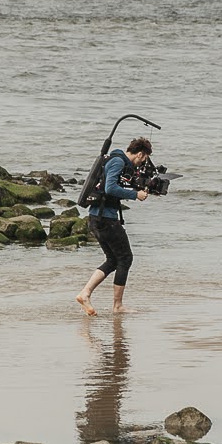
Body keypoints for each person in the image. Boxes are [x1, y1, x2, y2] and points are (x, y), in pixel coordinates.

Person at [75, 135, 154, 316]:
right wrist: (135, 195)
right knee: (125, 258)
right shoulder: (118, 162)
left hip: (98, 218)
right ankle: (117, 306)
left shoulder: (116, 161)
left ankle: (85, 294)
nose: (142, 164)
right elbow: (110, 188)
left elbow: (112, 187)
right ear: (141, 154)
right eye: (144, 160)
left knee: (113, 260)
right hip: (105, 220)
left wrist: (139, 188)